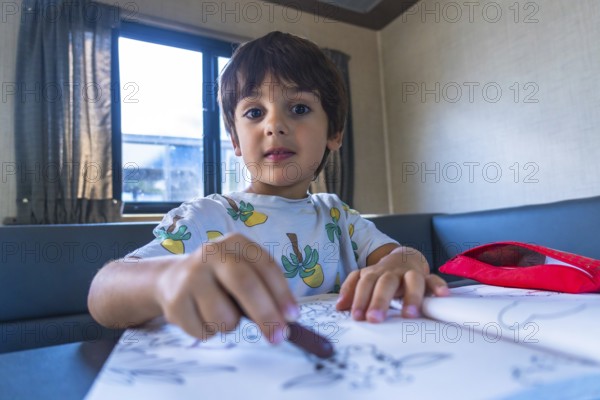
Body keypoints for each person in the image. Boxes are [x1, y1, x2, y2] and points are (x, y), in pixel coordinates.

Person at [88, 31, 449, 345]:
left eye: (299, 107)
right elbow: (103, 295)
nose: (274, 124)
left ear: (334, 133)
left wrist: (405, 262)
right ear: (236, 141)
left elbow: (402, 256)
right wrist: (167, 278)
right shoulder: (207, 217)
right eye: (254, 113)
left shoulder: (339, 217)